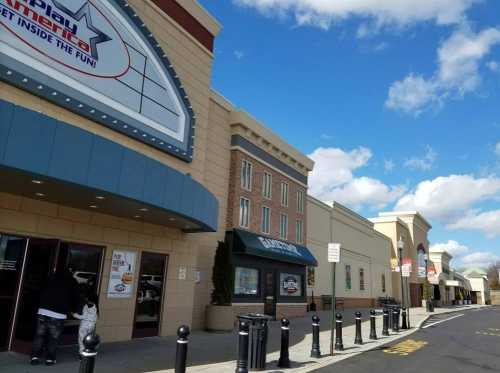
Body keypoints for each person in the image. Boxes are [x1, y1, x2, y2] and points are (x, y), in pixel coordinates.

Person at [31, 269, 79, 366]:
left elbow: (39, 290)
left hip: (43, 310)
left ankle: (35, 357)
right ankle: (50, 359)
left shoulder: (50, 278)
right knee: (54, 338)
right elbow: (75, 297)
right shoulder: (72, 281)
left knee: (39, 335)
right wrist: (74, 310)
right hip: (58, 313)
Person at [72, 292, 99, 358]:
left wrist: (74, 314)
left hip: (84, 325)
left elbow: (83, 317)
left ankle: (82, 353)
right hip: (92, 325)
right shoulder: (96, 306)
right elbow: (96, 318)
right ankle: (89, 351)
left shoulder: (87, 306)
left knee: (81, 339)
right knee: (88, 339)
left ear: (88, 298)